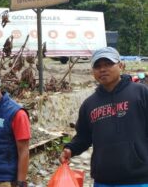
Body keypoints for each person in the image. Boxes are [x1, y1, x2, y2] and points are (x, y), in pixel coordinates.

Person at [59, 47, 148, 187]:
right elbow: (83, 137)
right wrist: (70, 149)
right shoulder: (89, 104)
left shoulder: (140, 93)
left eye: (108, 64)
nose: (103, 69)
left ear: (121, 65)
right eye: (98, 66)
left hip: (138, 179)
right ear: (92, 71)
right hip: (103, 180)